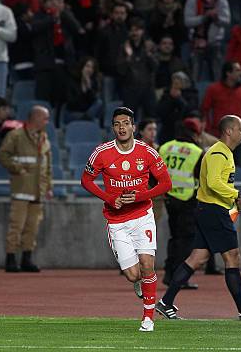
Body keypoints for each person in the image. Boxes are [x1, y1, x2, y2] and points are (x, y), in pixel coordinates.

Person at [156, 115, 241, 321]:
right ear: (229, 131)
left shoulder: (224, 153)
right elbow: (213, 183)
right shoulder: (218, 153)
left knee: (198, 258)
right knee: (232, 256)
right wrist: (236, 195)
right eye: (240, 128)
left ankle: (165, 303)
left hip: (208, 210)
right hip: (213, 211)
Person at [81, 106, 172, 332]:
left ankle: (148, 318)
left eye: (126, 123)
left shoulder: (147, 152)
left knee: (148, 265)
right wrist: (109, 198)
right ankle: (140, 284)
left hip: (142, 216)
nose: (121, 127)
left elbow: (166, 184)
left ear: (134, 127)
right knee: (133, 275)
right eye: (117, 124)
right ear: (113, 128)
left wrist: (141, 196)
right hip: (116, 221)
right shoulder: (101, 153)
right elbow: (86, 180)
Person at [0, 106, 53, 273]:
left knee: (32, 227)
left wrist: (48, 186)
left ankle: (27, 258)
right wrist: (18, 168)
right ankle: (11, 258)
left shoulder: (44, 138)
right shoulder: (15, 136)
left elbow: (47, 166)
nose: (47, 122)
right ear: (35, 118)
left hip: (38, 190)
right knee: (17, 226)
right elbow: (3, 155)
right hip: (22, 188)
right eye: (45, 118)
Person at [159, 118, 203, 287]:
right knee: (186, 240)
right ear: (194, 133)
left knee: (175, 237)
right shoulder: (196, 151)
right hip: (188, 200)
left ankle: (169, 274)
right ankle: (179, 278)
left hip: (169, 198)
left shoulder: (165, 147)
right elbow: (202, 177)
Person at [201, 62, 241, 171]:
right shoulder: (213, 89)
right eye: (237, 70)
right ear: (228, 73)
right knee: (218, 168)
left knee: (240, 167)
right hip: (218, 136)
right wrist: (208, 130)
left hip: (239, 136)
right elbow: (204, 110)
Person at [184, 0, 230, 83]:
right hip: (196, 42)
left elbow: (227, 21)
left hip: (215, 43)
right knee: (193, 77)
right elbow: (187, 22)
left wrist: (216, 18)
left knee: (218, 77)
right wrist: (204, 18)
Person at [116, 18, 158, 118]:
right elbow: (120, 70)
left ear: (142, 31)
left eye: (137, 30)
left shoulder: (149, 46)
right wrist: (128, 57)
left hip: (147, 88)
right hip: (130, 89)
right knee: (128, 119)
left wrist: (148, 54)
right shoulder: (124, 48)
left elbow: (155, 66)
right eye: (132, 30)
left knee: (150, 118)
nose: (135, 33)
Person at [64, 57, 103, 123]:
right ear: (82, 67)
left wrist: (88, 87)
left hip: (87, 113)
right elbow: (72, 103)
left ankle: (86, 119)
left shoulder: (93, 83)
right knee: (92, 121)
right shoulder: (72, 81)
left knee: (99, 102)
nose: (89, 69)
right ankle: (86, 119)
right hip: (72, 113)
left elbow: (94, 103)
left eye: (92, 68)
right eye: (87, 66)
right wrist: (83, 91)